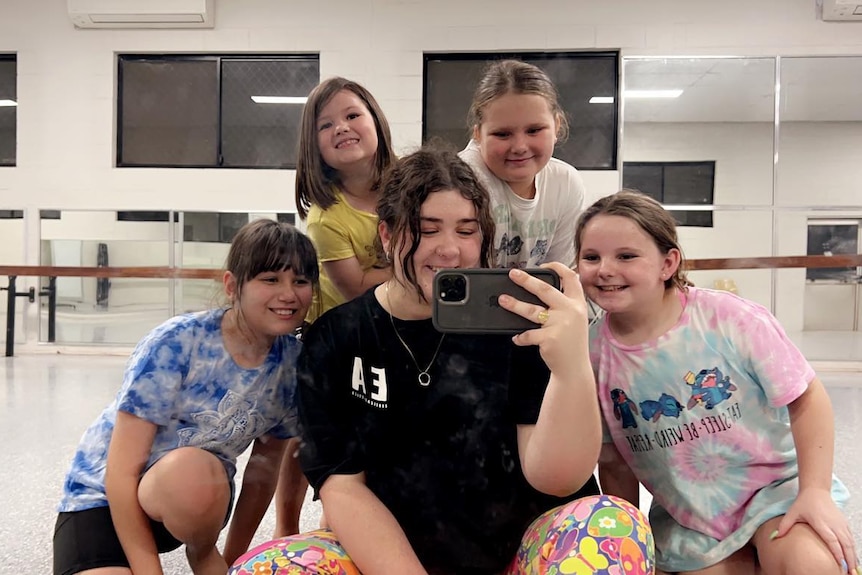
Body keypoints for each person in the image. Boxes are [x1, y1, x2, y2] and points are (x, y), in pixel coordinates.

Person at [231, 145, 655, 575]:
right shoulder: (337, 337)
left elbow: (557, 479)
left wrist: (570, 366)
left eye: (467, 230)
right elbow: (343, 486)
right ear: (388, 235)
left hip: (523, 552)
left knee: (614, 525)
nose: (449, 250)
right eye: (427, 229)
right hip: (396, 554)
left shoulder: (521, 323)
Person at [576, 190, 857, 575]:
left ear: (667, 263)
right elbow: (613, 461)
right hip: (691, 517)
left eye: (626, 256)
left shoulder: (729, 319)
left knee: (812, 565)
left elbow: (806, 398)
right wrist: (629, 541)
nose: (605, 269)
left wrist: (815, 492)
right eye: (591, 257)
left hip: (774, 492)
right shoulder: (590, 353)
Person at [53, 218, 319, 575]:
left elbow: (263, 472)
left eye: (300, 281)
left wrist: (233, 561)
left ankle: (201, 552)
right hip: (102, 500)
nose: (288, 294)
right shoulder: (177, 343)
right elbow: (120, 472)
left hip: (187, 499)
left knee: (193, 471)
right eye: (270, 279)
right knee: (185, 468)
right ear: (232, 285)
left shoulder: (292, 366)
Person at [271, 77, 397, 537]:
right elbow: (356, 288)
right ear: (314, 146)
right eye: (326, 125)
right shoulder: (326, 216)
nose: (342, 128)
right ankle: (286, 527)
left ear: (375, 122)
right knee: (310, 437)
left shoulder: (407, 184)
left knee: (372, 429)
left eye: (352, 115)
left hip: (396, 329)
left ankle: (343, 516)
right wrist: (412, 271)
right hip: (335, 338)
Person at [459, 59, 586, 269]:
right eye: (502, 134)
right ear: (478, 135)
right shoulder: (461, 180)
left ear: (557, 126)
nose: (519, 146)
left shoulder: (565, 183)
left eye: (534, 130)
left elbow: (558, 274)